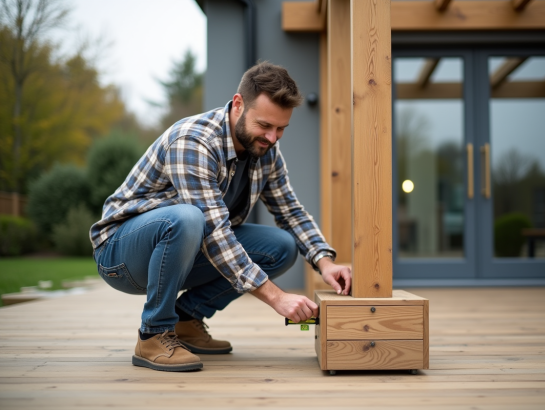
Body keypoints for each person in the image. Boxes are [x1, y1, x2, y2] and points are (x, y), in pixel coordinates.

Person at [89, 62, 352, 372]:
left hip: (182, 248)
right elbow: (214, 232)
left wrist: (325, 262)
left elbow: (290, 211)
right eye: (265, 125)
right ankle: (153, 333)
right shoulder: (194, 141)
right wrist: (276, 298)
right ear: (238, 104)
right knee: (187, 218)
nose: (272, 137)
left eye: (281, 128)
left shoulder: (265, 151)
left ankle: (186, 319)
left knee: (281, 246)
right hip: (121, 254)